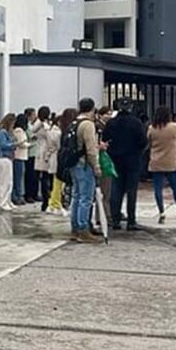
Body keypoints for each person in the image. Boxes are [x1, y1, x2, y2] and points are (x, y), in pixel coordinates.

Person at [103, 98, 148, 231]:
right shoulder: (136, 123)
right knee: (131, 191)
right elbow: (143, 141)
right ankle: (131, 220)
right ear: (131, 107)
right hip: (133, 159)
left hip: (116, 159)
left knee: (116, 190)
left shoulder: (111, 123)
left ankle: (115, 219)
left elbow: (105, 140)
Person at [64, 98, 103, 243]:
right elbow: (90, 149)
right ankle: (83, 229)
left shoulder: (74, 123)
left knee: (76, 196)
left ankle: (75, 229)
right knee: (86, 199)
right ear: (92, 108)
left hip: (74, 164)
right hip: (84, 165)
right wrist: (96, 166)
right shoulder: (88, 125)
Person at [147, 106, 176, 224]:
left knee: (158, 188)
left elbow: (149, 143)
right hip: (172, 161)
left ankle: (161, 212)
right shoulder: (174, 127)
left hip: (156, 161)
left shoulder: (152, 128)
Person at [47, 109, 76, 215]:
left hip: (57, 157)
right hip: (58, 158)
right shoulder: (58, 132)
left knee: (58, 183)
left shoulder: (55, 130)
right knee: (58, 183)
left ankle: (54, 203)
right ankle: (55, 204)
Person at [33, 106, 57, 213]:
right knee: (45, 177)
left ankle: (49, 199)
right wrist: (42, 122)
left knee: (48, 177)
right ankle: (45, 201)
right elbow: (34, 129)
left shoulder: (49, 123)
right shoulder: (40, 124)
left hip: (47, 150)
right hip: (43, 151)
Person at [0, 113, 17, 212]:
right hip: (3, 157)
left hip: (8, 158)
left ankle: (8, 200)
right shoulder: (1, 133)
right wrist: (14, 144)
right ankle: (2, 202)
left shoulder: (7, 132)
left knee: (9, 181)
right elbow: (3, 145)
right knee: (4, 181)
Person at [12, 114, 30, 206]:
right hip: (18, 156)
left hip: (21, 156)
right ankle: (18, 196)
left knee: (20, 176)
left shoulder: (20, 130)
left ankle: (19, 195)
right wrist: (29, 144)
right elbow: (21, 143)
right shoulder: (19, 131)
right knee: (18, 178)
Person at [24, 108, 40, 204]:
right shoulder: (27, 126)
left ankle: (35, 193)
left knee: (36, 176)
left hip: (36, 153)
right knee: (30, 175)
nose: (35, 116)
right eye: (33, 114)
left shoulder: (34, 125)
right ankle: (28, 194)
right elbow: (32, 137)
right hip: (30, 153)